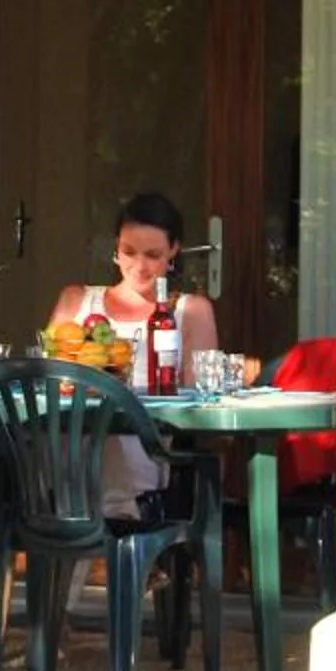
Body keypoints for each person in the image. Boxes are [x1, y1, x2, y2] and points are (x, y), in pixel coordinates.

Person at [52, 189, 222, 516]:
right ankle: (102, 550)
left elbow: (197, 399)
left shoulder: (190, 310)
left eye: (153, 255)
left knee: (109, 442)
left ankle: (96, 550)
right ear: (115, 246)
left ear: (174, 251)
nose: (139, 266)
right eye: (128, 251)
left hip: (145, 446)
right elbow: (51, 380)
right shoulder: (76, 299)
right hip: (68, 440)